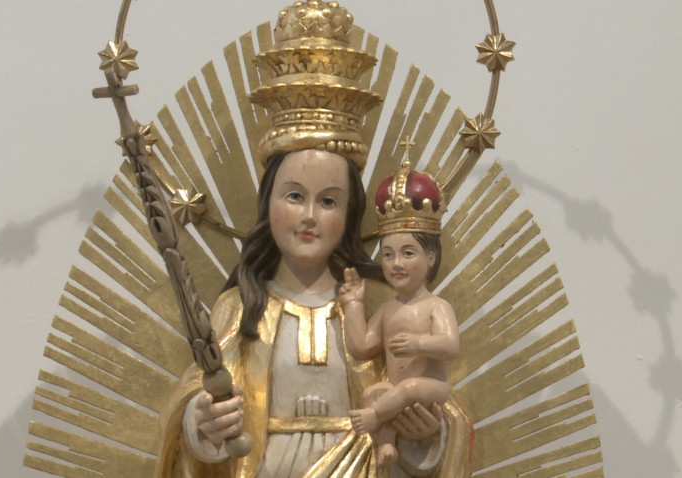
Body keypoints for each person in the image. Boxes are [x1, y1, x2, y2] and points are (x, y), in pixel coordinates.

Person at [155, 2, 472, 476]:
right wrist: (202, 423)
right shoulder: (241, 308)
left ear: (349, 214)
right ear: (267, 204)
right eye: (294, 196)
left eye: (327, 201)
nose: (308, 217)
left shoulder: (378, 307)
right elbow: (195, 399)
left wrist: (428, 433)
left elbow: (431, 398)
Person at [340, 150, 459, 467]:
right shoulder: (388, 310)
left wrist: (419, 343)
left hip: (429, 388)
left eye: (408, 253)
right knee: (373, 393)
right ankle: (386, 443)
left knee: (407, 388)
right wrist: (354, 305)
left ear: (430, 258)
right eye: (388, 255)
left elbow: (450, 345)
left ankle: (375, 418)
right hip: (398, 390)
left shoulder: (436, 306)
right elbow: (362, 346)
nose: (396, 264)